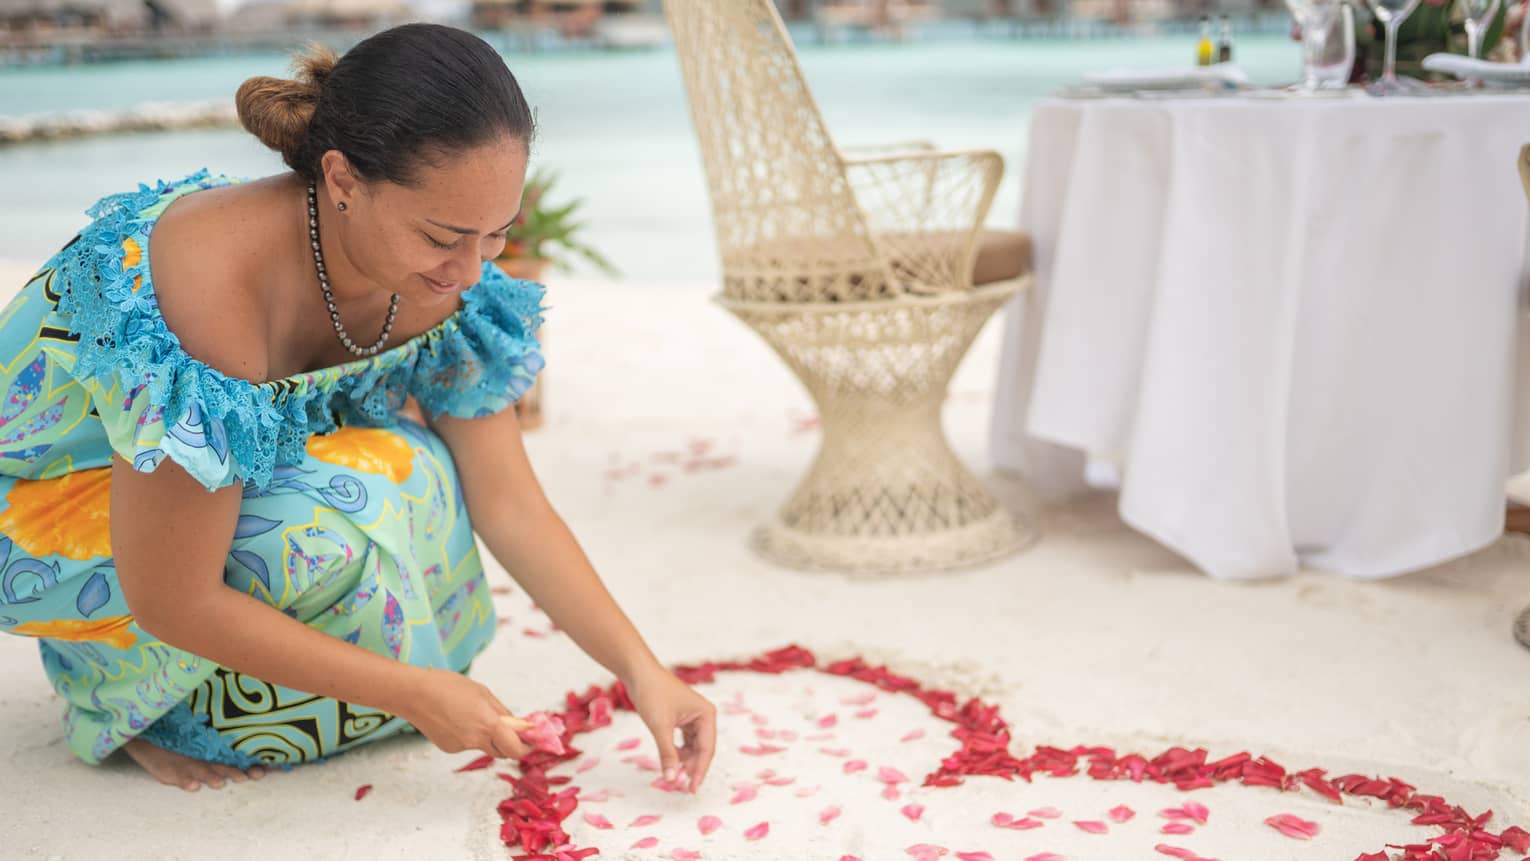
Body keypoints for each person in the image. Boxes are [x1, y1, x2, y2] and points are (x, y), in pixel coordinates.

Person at [0, 23, 716, 792]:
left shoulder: (440, 280)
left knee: (420, 472)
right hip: (62, 518)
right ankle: (129, 694)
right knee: (330, 525)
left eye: (498, 236)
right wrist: (412, 689)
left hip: (197, 505)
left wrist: (642, 669)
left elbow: (509, 503)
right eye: (444, 236)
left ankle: (277, 689)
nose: (470, 270)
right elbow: (174, 596)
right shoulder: (211, 291)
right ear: (341, 180)